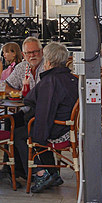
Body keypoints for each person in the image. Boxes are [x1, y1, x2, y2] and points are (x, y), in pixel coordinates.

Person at [14, 42, 79, 193]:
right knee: (35, 128)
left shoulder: (50, 81)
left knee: (20, 134)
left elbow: (45, 113)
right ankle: (54, 173)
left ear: (47, 62)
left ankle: (40, 174)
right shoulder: (72, 78)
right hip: (71, 129)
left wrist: (37, 136)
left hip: (60, 132)